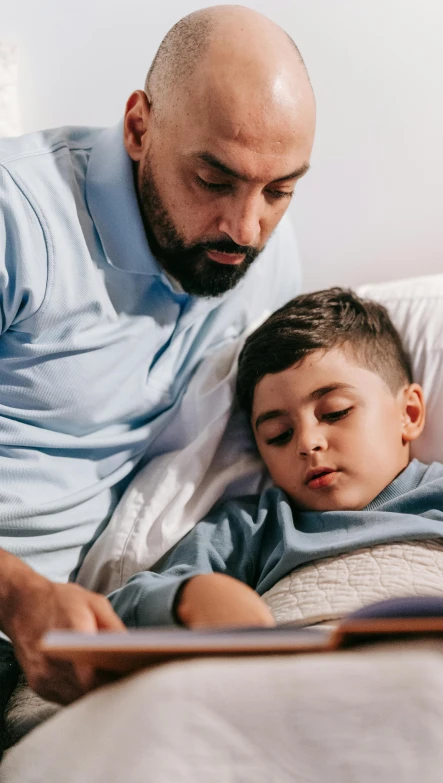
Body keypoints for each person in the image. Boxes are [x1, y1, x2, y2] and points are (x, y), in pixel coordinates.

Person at [0, 3, 316, 720]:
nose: (246, 227)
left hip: (77, 636)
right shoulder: (16, 218)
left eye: (280, 190)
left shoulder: (265, 263)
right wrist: (19, 596)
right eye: (214, 179)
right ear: (139, 126)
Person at [109, 287, 443, 629]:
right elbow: (120, 610)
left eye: (336, 412)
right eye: (278, 435)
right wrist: (187, 597)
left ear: (409, 413)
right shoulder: (251, 528)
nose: (307, 442)